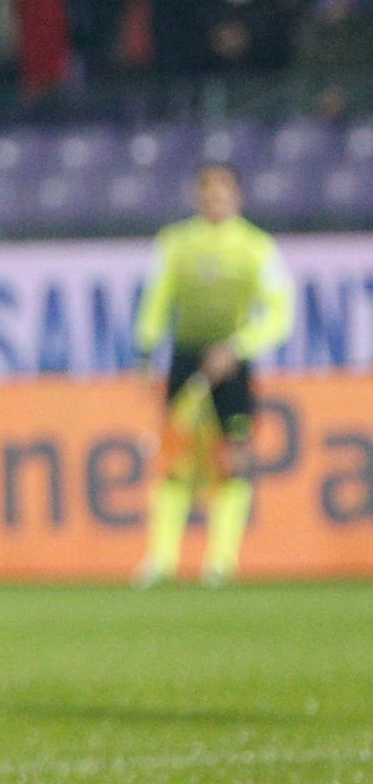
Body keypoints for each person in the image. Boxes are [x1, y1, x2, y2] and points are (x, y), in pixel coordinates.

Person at [132, 162, 292, 588]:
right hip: (187, 358)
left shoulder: (256, 247)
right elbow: (156, 299)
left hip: (233, 362)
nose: (214, 199)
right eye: (207, 191)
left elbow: (280, 314)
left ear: (236, 196)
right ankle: (161, 560)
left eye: (222, 191)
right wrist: (146, 350)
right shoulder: (176, 243)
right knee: (174, 457)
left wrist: (238, 347)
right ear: (197, 196)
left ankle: (221, 562)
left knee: (234, 457)